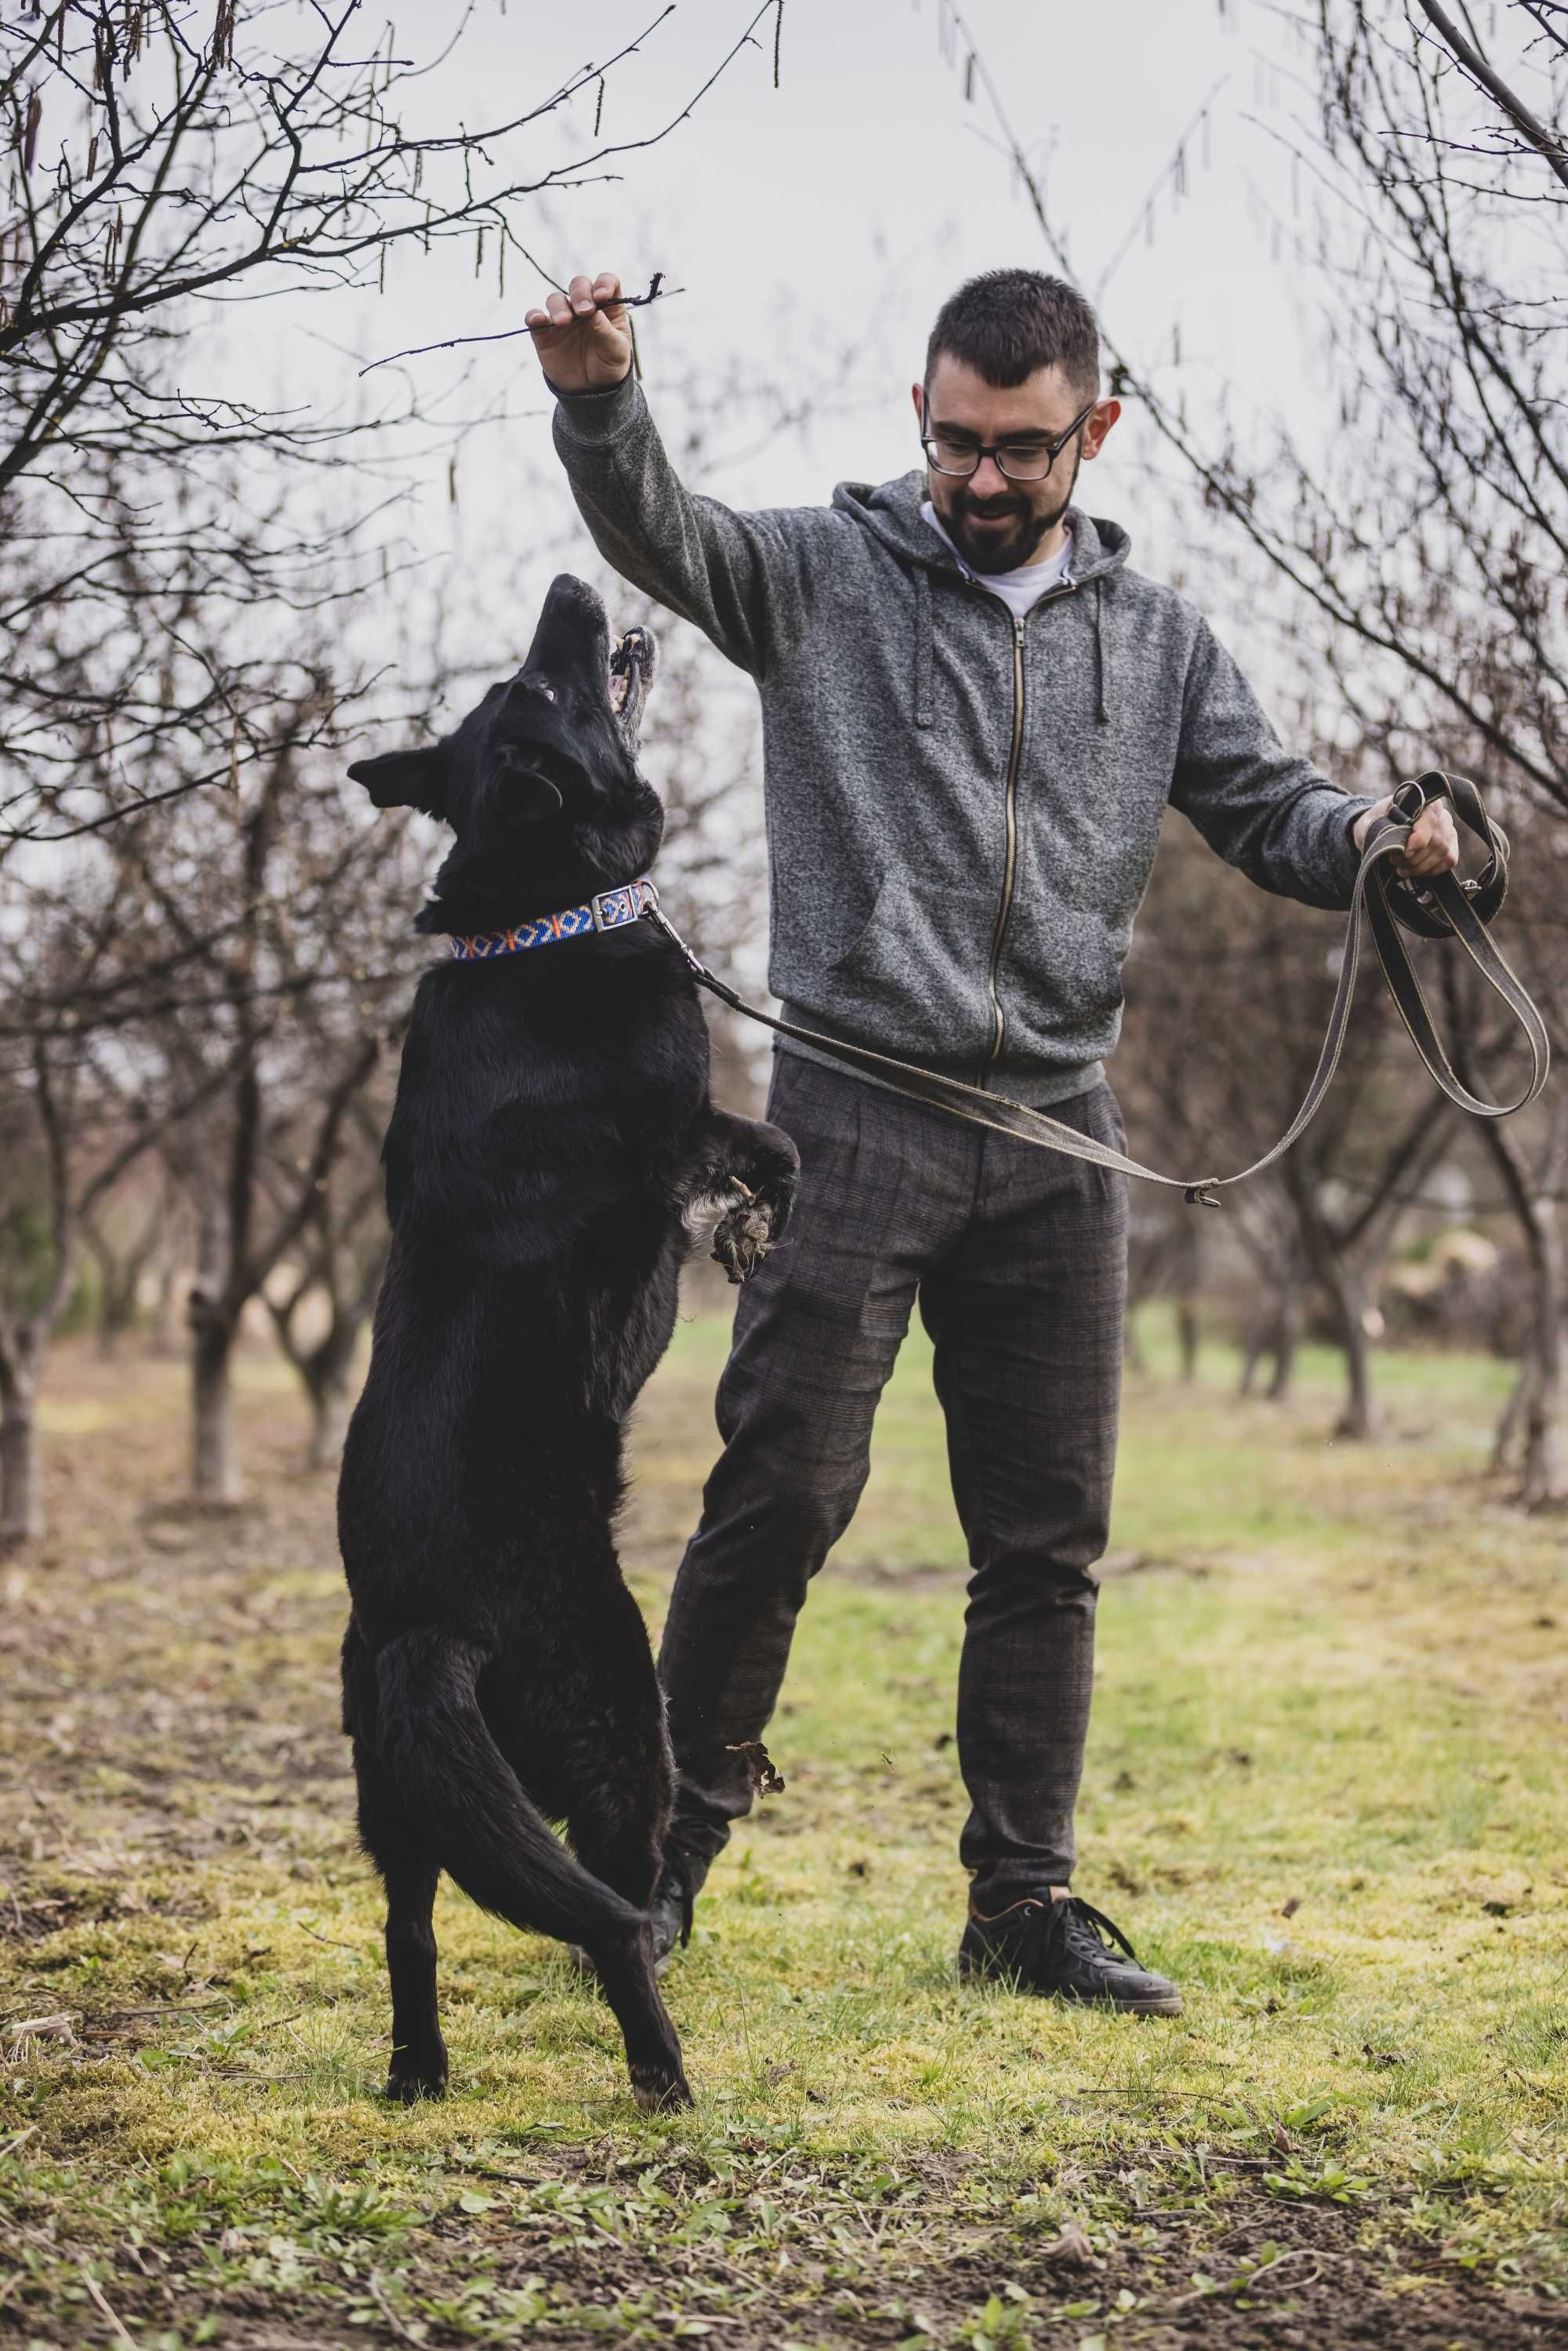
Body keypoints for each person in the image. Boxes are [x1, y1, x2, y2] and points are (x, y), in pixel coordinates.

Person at [524, 267, 1459, 2014]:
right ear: (921, 418)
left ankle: (1020, 1905)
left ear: (1092, 432)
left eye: (1022, 450)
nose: (981, 477)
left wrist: (1385, 847)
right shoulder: (820, 575)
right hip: (853, 1113)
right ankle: (652, 1863)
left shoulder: (1156, 638)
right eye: (956, 439)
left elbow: (1270, 807)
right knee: (781, 1490)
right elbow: (665, 532)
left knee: (1046, 1536)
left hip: (1059, 1139)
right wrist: (600, 400)